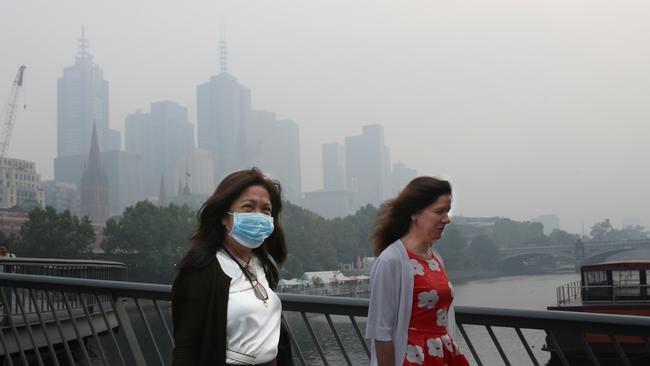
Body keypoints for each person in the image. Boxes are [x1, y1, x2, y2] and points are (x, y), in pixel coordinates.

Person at [171, 168, 293, 366]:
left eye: (266, 210)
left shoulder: (261, 264)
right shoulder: (202, 270)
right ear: (223, 216)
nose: (258, 216)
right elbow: (186, 347)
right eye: (248, 206)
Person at [366, 177, 469, 366]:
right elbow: (381, 333)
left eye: (447, 211)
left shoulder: (436, 258)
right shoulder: (391, 261)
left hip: (442, 357)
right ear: (415, 213)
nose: (447, 219)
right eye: (439, 211)